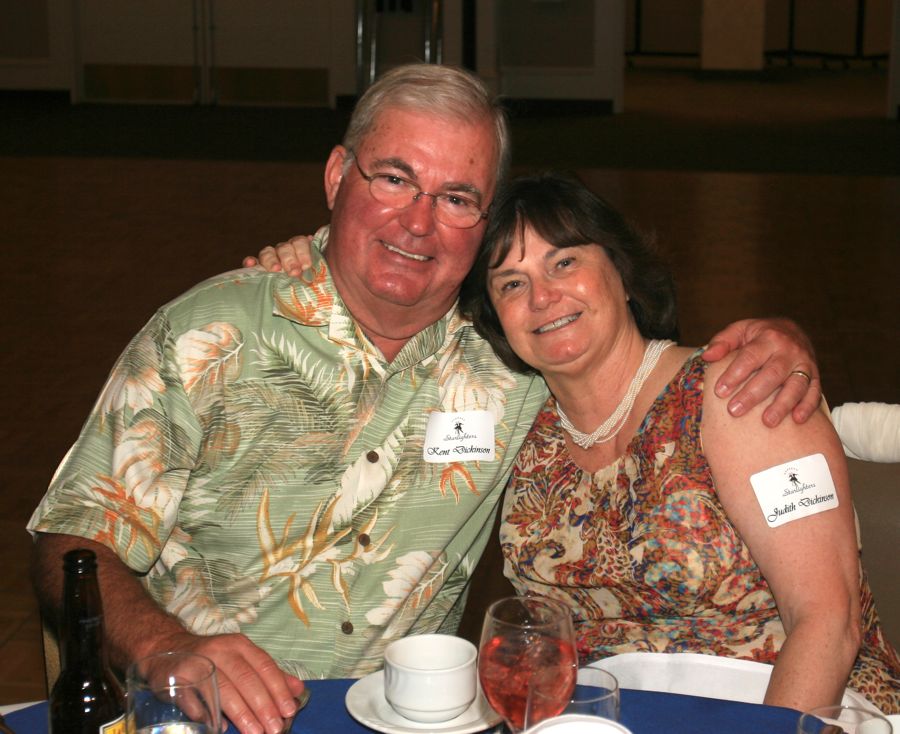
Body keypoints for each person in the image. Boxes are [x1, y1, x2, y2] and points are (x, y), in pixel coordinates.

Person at [28, 64, 820, 734]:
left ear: (482, 222)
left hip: (408, 718)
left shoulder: (512, 353)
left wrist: (779, 340)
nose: (417, 223)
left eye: (456, 197)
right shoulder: (209, 337)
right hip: (213, 717)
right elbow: (71, 541)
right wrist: (165, 646)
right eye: (395, 178)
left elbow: (626, 367)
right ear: (339, 178)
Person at [455, 171, 900, 713]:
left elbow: (829, 621)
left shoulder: (739, 391)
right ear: (497, 318)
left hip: (785, 711)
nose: (543, 296)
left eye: (565, 262)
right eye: (511, 283)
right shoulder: (524, 435)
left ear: (620, 271)